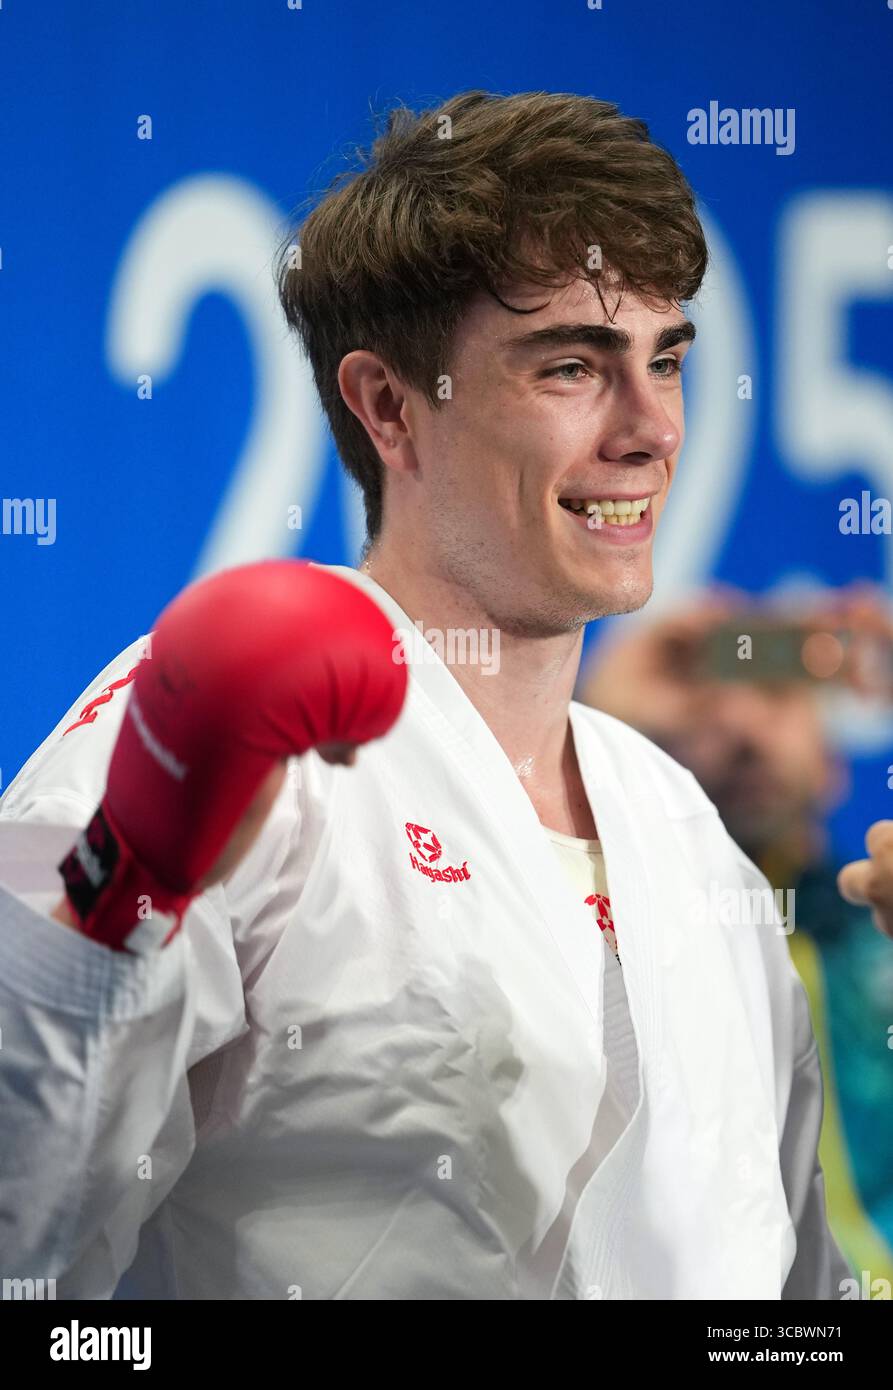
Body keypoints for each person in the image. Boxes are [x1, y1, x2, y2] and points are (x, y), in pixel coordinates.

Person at [0, 90, 860, 1300]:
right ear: (389, 406)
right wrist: (115, 897)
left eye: (665, 358)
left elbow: (801, 1316)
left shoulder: (687, 839)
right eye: (573, 363)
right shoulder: (201, 731)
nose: (654, 426)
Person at [578, 586, 893, 1283]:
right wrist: (597, 714)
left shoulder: (881, 925)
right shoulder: (617, 940)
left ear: (835, 762)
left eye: (776, 698)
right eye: (705, 711)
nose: (745, 731)